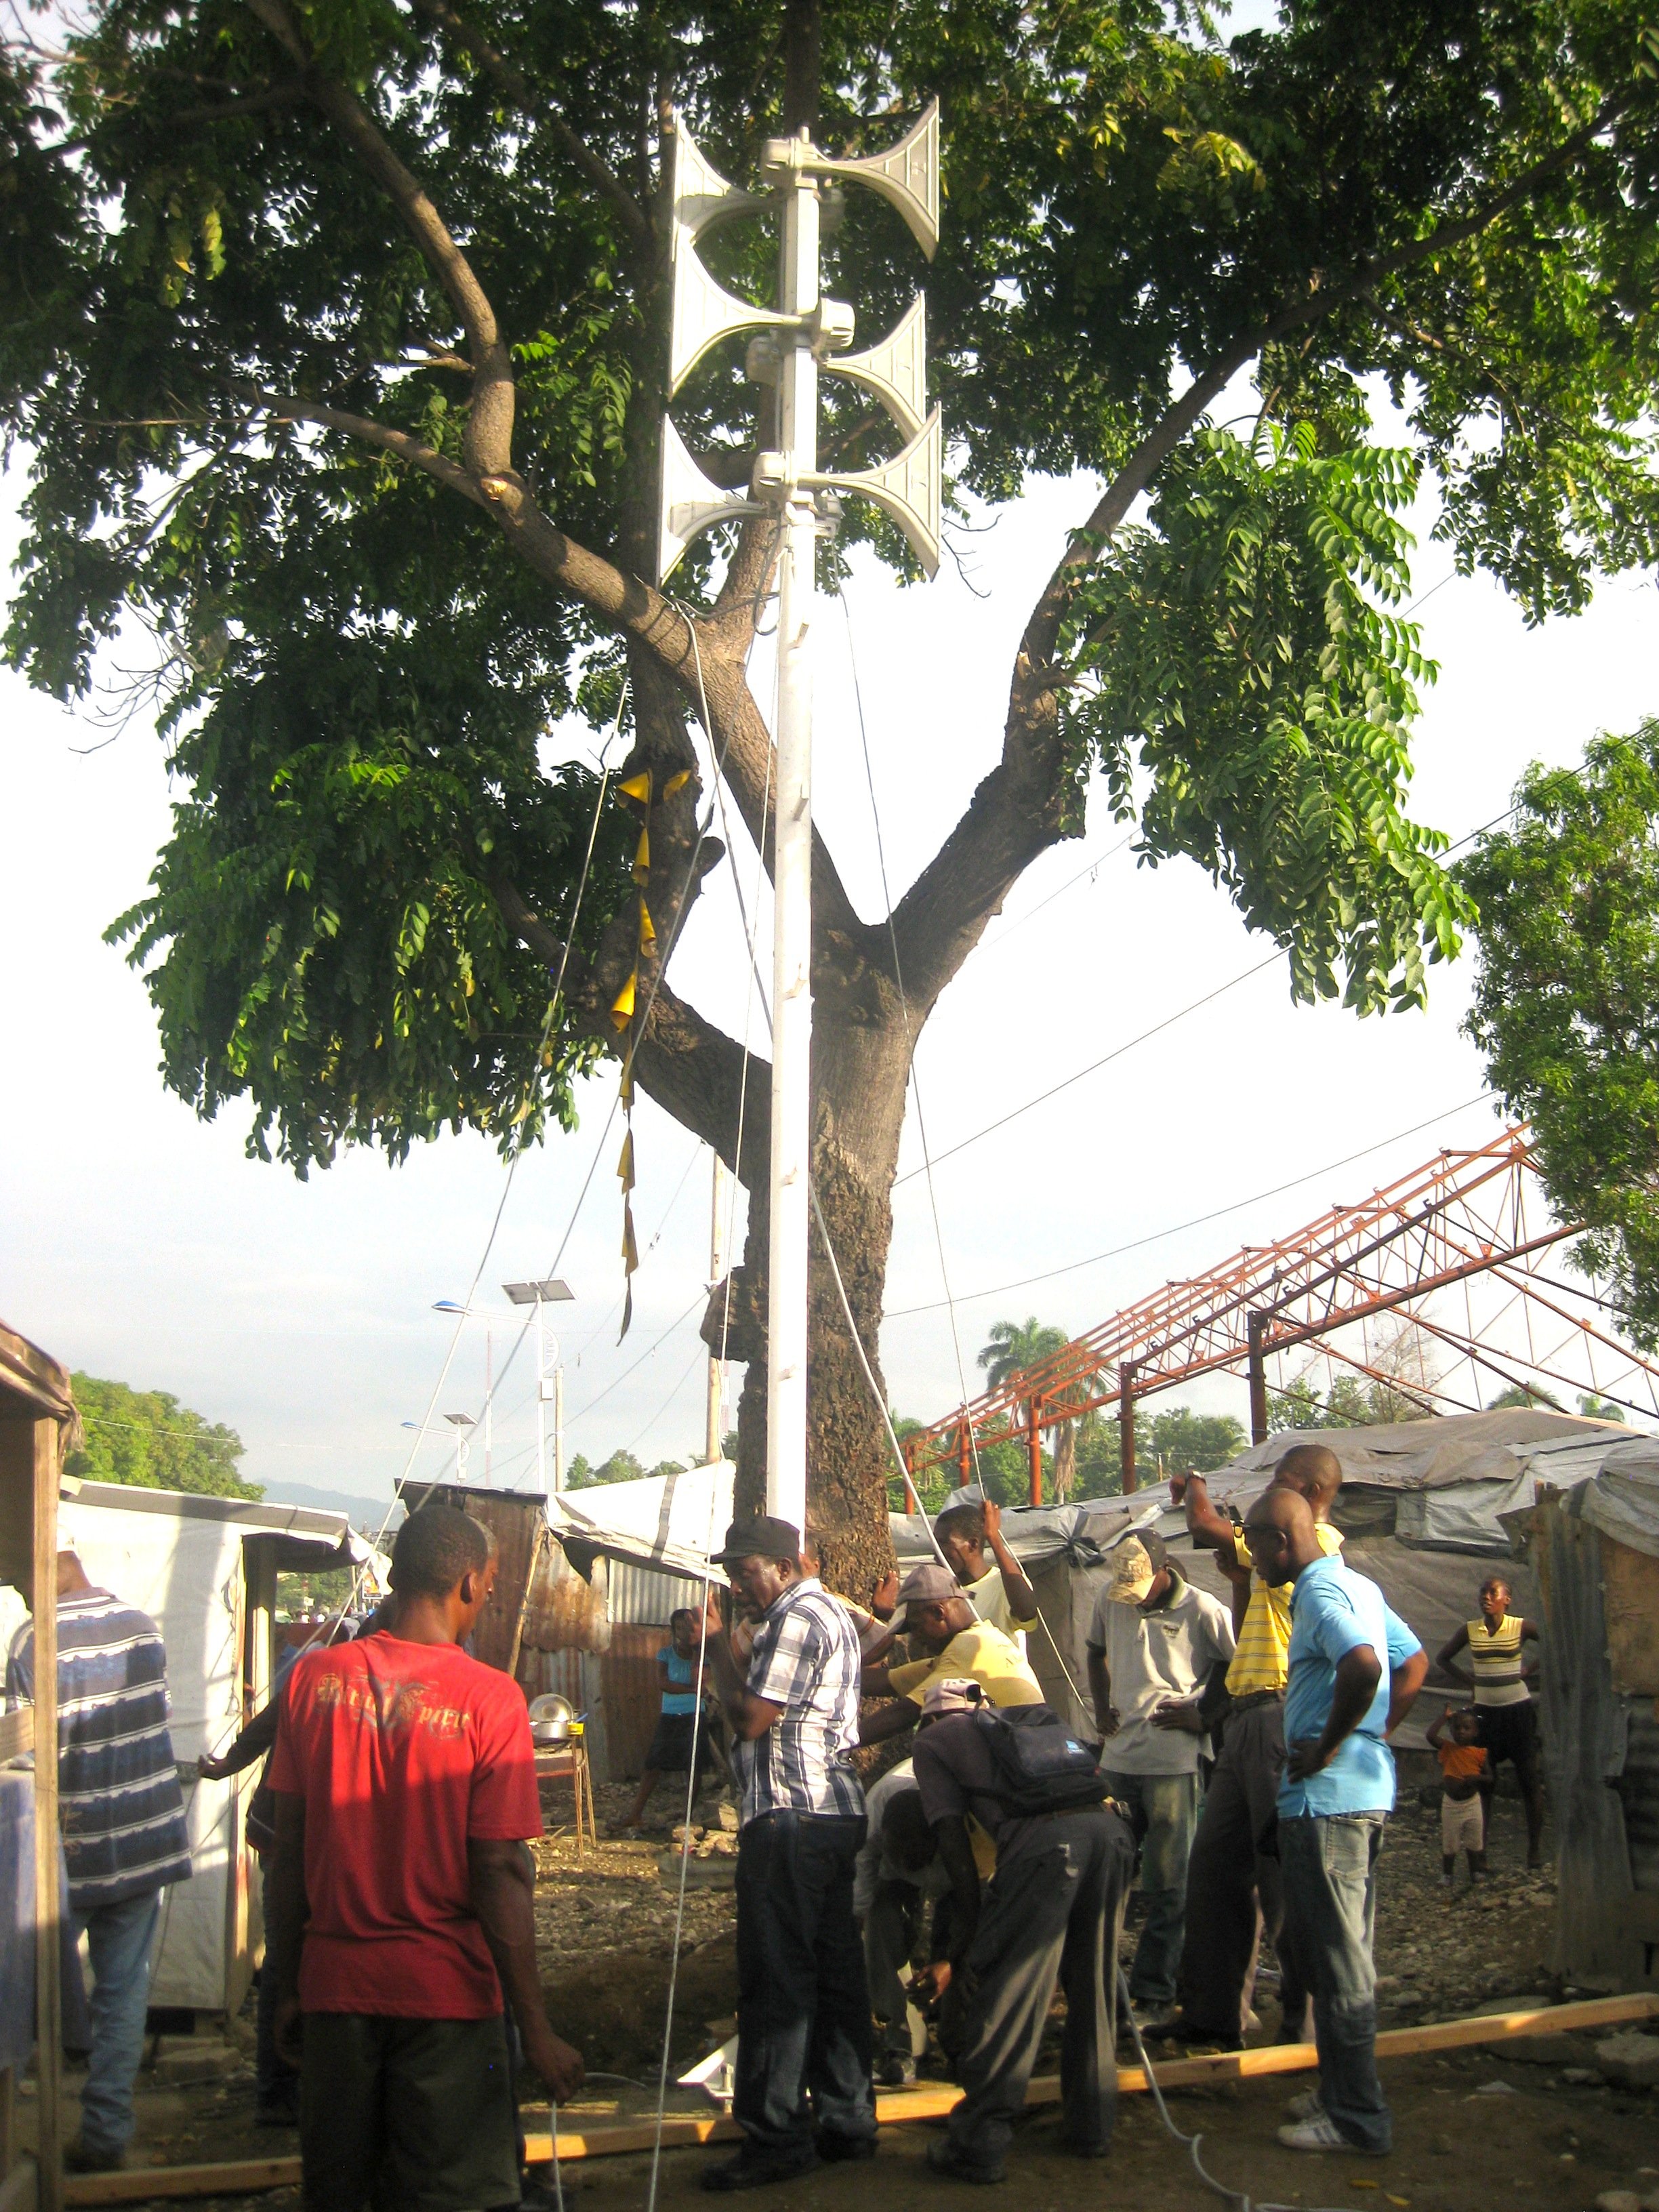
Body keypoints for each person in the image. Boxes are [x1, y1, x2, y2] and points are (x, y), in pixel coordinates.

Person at [265, 1504, 583, 2212]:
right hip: (446, 2002)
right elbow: (499, 1870)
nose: (488, 1598)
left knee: (342, 2190)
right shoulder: (491, 1700)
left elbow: (287, 1854)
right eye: (492, 1585)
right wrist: (535, 2029)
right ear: (469, 1583)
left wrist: (287, 1985)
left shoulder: (313, 1682)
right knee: (453, 2193)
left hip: (334, 1989)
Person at [1241, 1486, 1426, 2158]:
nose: (1252, 1559)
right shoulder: (1360, 1587)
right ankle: (1339, 2091)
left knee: (1339, 1965)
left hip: (1327, 1805)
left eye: (1255, 1545)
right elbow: (1415, 1663)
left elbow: (1367, 1665)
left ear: (1280, 1540)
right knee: (1340, 1956)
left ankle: (1356, 2118)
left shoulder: (1318, 1595)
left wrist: (1326, 1747)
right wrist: (1368, 1738)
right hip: (1363, 1795)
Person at [699, 1516, 874, 2190]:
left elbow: (751, 1718)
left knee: (778, 1975)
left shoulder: (796, 1616)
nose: (739, 1584)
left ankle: (775, 2136)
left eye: (747, 1571)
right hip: (830, 1814)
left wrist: (717, 1648)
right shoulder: (825, 1613)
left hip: (790, 1817)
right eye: (734, 1572)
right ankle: (846, 2117)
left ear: (785, 1563)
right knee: (834, 1971)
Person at [4, 1549, 192, 2175]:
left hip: (69, 1850)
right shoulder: (143, 1626)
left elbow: (20, 1755)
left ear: (43, 1585)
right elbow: (156, 1719)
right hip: (144, 1840)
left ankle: (22, 2129)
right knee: (123, 1993)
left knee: (27, 1988)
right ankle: (106, 2135)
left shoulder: (33, 1641)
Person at [909, 1698, 1135, 2182]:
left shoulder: (930, 1742)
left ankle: (979, 2143)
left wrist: (963, 1942)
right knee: (1093, 1985)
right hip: (1111, 1831)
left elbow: (953, 1844)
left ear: (930, 1717)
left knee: (1012, 1992)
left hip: (1048, 1847)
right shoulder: (1022, 1722)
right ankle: (1091, 2128)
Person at [1166, 1443, 1346, 2047]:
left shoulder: (1314, 1546)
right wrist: (1243, 1583)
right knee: (1216, 1873)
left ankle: (1307, 2028)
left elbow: (1201, 1523)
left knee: (1284, 1879)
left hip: (1276, 1716)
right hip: (1247, 1717)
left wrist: (1194, 1481)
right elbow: (1250, 1632)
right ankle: (1215, 2015)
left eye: (1284, 1483)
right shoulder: (1275, 1559)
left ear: (1313, 1497)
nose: (1270, 1493)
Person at [198, 1615, 356, 2125]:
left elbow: (264, 1726)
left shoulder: (336, 1671)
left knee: (298, 1955)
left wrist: (227, 1764)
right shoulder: (327, 1672)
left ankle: (296, 2081)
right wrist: (226, 1764)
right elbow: (268, 1724)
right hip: (285, 1835)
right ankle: (277, 2089)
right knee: (287, 1957)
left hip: (310, 1836)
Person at [1084, 1531, 1234, 2031]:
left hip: (1173, 1761)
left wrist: (1206, 1716)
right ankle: (1104, 1990)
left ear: (1164, 1570)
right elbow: (1094, 1651)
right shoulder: (1112, 1600)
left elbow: (1237, 1666)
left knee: (1170, 1884)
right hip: (1121, 1758)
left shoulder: (1203, 1608)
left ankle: (1154, 1993)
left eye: (1144, 1588)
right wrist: (1102, 1705)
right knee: (1109, 1878)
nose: (1136, 1597)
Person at [853, 1678, 990, 2086]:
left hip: (963, 1875)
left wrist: (950, 1959)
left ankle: (961, 2045)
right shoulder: (878, 1806)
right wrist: (857, 1924)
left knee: (962, 1953)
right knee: (883, 1930)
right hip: (898, 1873)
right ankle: (902, 2042)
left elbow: (978, 1902)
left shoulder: (966, 1808)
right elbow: (863, 1869)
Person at [859, 1563, 1044, 1744]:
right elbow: (888, 1682)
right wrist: (834, 1674)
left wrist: (839, 1741)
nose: (915, 1639)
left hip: (1023, 1762)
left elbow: (904, 1713)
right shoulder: (980, 1639)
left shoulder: (969, 1648)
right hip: (1030, 1755)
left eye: (916, 1626)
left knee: (929, 1747)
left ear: (939, 1613)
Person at [1434, 1574, 1544, 1866]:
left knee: (1529, 1780)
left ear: (1506, 1600)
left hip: (1517, 1712)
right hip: (1485, 1715)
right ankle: (1479, 1855)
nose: (1486, 1597)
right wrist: (1471, 1682)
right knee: (1484, 1782)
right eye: (1482, 1592)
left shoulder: (1520, 1627)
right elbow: (1442, 1659)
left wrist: (1530, 1669)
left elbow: (1555, 1643)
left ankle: (1534, 1851)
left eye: (1492, 1592)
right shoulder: (1471, 1630)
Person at [622, 1607, 716, 1833]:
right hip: (670, 1716)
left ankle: (687, 1817)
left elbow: (702, 1685)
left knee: (693, 1767)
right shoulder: (666, 1654)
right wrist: (692, 1690)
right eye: (679, 1628)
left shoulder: (703, 1656)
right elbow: (663, 1684)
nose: (683, 1632)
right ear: (673, 1631)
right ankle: (635, 1813)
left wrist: (696, 1654)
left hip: (695, 1715)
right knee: (654, 1764)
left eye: (688, 1627)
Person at [934, 1498, 1040, 1640]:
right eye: (935, 1545)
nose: (937, 1553)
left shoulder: (1004, 1584)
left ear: (973, 1545)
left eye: (944, 1544)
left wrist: (993, 1537)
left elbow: (1027, 1614)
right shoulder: (941, 1593)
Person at [1425, 1706, 1490, 1890]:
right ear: (1451, 1731)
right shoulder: (1448, 1748)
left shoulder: (1480, 1754)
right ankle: (1447, 1874)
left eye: (1466, 1728)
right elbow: (1430, 1736)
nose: (1461, 1732)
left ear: (1475, 1732)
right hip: (1452, 1804)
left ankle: (1475, 1871)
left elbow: (1491, 1777)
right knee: (1450, 1841)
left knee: (1474, 1840)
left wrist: (1476, 1778)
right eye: (1457, 1728)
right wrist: (1443, 1718)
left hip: (1472, 1803)